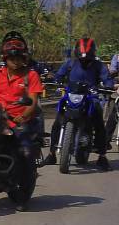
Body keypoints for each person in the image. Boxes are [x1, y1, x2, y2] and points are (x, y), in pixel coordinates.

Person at [0, 35, 44, 210]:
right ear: (5, 59)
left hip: (21, 120)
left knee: (25, 152)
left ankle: (23, 191)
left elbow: (33, 102)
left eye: (19, 58)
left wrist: (23, 116)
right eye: (12, 58)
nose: (15, 61)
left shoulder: (31, 76)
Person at [43, 37, 113, 171]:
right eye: (82, 59)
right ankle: (52, 154)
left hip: (91, 97)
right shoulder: (70, 64)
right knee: (58, 122)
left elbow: (107, 78)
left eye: (87, 59)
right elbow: (59, 75)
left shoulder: (99, 66)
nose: (84, 61)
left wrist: (108, 86)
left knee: (99, 121)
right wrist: (53, 79)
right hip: (70, 96)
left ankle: (102, 156)